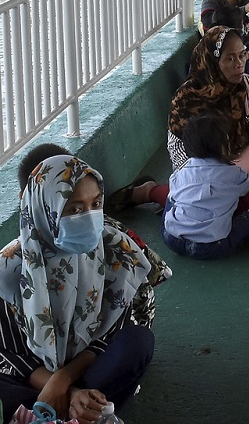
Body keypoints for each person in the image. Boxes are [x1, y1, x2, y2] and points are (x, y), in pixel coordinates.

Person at [0, 154, 154, 422]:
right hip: (33, 378)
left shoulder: (116, 252)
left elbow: (111, 333)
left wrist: (64, 379)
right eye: (74, 209)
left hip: (89, 369)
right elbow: (8, 352)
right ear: (44, 209)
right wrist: (67, 392)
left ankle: (58, 413)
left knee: (138, 342)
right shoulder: (9, 270)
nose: (90, 218)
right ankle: (80, 410)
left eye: (95, 204)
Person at [118, 27, 249, 215]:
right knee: (207, 209)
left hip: (243, 171)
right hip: (201, 175)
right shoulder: (186, 99)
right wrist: (208, 182)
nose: (239, 64)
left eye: (243, 55)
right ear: (213, 62)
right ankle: (149, 191)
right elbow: (178, 150)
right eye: (230, 58)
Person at [160, 114, 249, 259]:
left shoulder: (181, 172)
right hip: (210, 247)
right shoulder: (234, 174)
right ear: (222, 146)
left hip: (172, 239)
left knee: (172, 199)